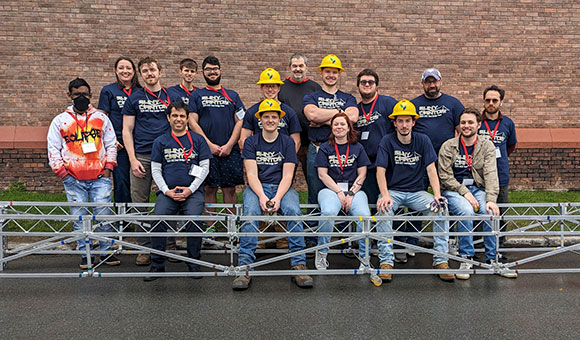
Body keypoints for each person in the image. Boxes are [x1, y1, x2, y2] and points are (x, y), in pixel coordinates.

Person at [233, 99, 313, 290]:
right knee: (250, 215)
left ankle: (298, 265)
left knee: (293, 211)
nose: (270, 120)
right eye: (266, 116)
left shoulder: (287, 142)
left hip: (282, 188)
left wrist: (276, 198)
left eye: (274, 117)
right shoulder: (251, 141)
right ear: (260, 120)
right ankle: (244, 267)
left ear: (279, 120)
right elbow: (251, 174)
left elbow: (288, 174)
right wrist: (262, 196)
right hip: (257, 187)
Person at [375, 100, 453, 283]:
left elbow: (431, 169)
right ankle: (386, 262)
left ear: (413, 122)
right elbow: (380, 170)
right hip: (393, 191)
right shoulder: (387, 141)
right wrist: (385, 195)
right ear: (394, 123)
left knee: (441, 209)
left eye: (407, 121)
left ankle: (441, 261)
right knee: (383, 210)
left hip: (417, 192)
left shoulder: (422, 140)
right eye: (400, 121)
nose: (403, 125)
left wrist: (436, 195)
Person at [47, 78, 119, 269]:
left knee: (104, 215)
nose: (81, 97)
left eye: (85, 94)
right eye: (77, 94)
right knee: (79, 219)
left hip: (100, 178)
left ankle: (106, 251)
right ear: (69, 95)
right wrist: (62, 173)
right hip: (73, 179)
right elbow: (53, 149)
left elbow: (111, 143)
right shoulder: (59, 121)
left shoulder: (101, 118)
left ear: (90, 95)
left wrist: (108, 168)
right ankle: (85, 253)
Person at [439, 107, 516, 279]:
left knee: (489, 211)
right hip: (454, 191)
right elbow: (444, 176)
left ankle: (493, 259)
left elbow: (490, 173)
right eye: (463, 122)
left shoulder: (486, 145)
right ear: (458, 126)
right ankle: (466, 258)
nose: (466, 126)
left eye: (470, 122)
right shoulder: (448, 146)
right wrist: (464, 192)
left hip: (479, 189)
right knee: (465, 211)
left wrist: (491, 199)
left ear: (478, 125)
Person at [398, 67, 464, 262]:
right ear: (422, 84)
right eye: (428, 81)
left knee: (445, 200)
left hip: (445, 162)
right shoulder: (414, 104)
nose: (432, 85)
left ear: (440, 81)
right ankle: (410, 241)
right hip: (419, 161)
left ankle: (449, 241)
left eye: (434, 81)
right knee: (415, 200)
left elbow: (462, 131)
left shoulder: (453, 103)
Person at [122, 56, 181, 266]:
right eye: (145, 71)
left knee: (171, 199)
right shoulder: (134, 99)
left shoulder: (173, 96)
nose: (149, 73)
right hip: (143, 156)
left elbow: (182, 124)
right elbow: (127, 130)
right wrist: (132, 158)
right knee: (140, 203)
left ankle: (170, 244)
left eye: (153, 70)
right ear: (141, 74)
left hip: (169, 156)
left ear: (160, 72)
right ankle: (144, 247)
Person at [144, 102, 212, 281]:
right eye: (175, 116)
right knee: (158, 220)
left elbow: (205, 168)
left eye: (182, 116)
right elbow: (156, 170)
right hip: (168, 193)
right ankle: (157, 264)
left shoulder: (198, 140)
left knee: (195, 220)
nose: (178, 119)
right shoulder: (161, 141)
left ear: (187, 118)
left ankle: (193, 263)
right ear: (168, 118)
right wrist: (166, 191)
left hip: (193, 192)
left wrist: (190, 190)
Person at [303, 54, 358, 233]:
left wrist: (324, 119)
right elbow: (312, 115)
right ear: (322, 74)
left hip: (342, 151)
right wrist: (340, 115)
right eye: (327, 71)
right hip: (318, 148)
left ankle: (342, 237)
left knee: (343, 192)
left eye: (334, 72)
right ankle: (313, 237)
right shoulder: (311, 96)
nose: (331, 75)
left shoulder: (348, 97)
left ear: (339, 74)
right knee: (315, 193)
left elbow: (354, 117)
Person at [313, 112, 371, 270]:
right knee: (328, 213)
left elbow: (363, 173)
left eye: (342, 124)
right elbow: (322, 174)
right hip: (330, 190)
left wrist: (351, 193)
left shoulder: (357, 147)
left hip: (355, 190)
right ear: (331, 128)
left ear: (348, 127)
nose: (339, 127)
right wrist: (339, 192)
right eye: (336, 124)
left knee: (364, 216)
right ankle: (322, 253)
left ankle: (365, 257)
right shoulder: (325, 147)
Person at [188, 56, 245, 215]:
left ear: (220, 70)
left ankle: (231, 230)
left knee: (230, 189)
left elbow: (240, 121)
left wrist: (229, 145)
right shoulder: (196, 95)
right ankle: (210, 229)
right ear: (202, 72)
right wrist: (209, 145)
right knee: (208, 188)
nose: (212, 72)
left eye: (215, 69)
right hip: (205, 151)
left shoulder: (233, 95)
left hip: (230, 151)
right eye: (208, 69)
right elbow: (192, 122)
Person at [478, 85, 517, 249]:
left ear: (501, 101)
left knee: (500, 212)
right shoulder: (476, 122)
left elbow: (510, 146)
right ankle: (478, 244)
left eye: (495, 100)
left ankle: (499, 246)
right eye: (488, 100)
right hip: (479, 176)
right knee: (479, 212)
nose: (491, 103)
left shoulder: (508, 123)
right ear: (484, 101)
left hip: (500, 175)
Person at [98, 57, 140, 206]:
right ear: (116, 71)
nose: (125, 71)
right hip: (119, 145)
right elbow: (100, 118)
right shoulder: (109, 90)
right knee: (121, 182)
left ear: (134, 71)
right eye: (121, 68)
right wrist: (109, 140)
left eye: (128, 68)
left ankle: (141, 218)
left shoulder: (140, 91)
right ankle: (123, 221)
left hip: (139, 143)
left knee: (139, 183)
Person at [355, 69, 397, 204]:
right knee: (371, 200)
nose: (367, 85)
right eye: (363, 82)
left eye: (371, 82)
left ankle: (396, 226)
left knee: (391, 199)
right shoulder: (356, 110)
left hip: (388, 163)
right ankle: (372, 225)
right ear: (358, 86)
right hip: (366, 163)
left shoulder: (389, 103)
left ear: (376, 85)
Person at [279, 53, 322, 178]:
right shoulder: (281, 87)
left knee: (312, 177)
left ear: (306, 67)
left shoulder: (315, 87)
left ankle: (314, 198)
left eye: (301, 66)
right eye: (294, 66)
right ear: (289, 67)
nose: (298, 69)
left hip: (311, 141)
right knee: (286, 176)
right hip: (288, 140)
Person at [239, 67, 301, 153]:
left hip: (282, 160)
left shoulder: (289, 112)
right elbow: (243, 140)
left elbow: (296, 142)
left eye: (273, 86)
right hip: (259, 160)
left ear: (279, 88)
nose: (270, 90)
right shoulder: (252, 112)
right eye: (267, 86)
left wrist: (288, 161)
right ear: (261, 88)